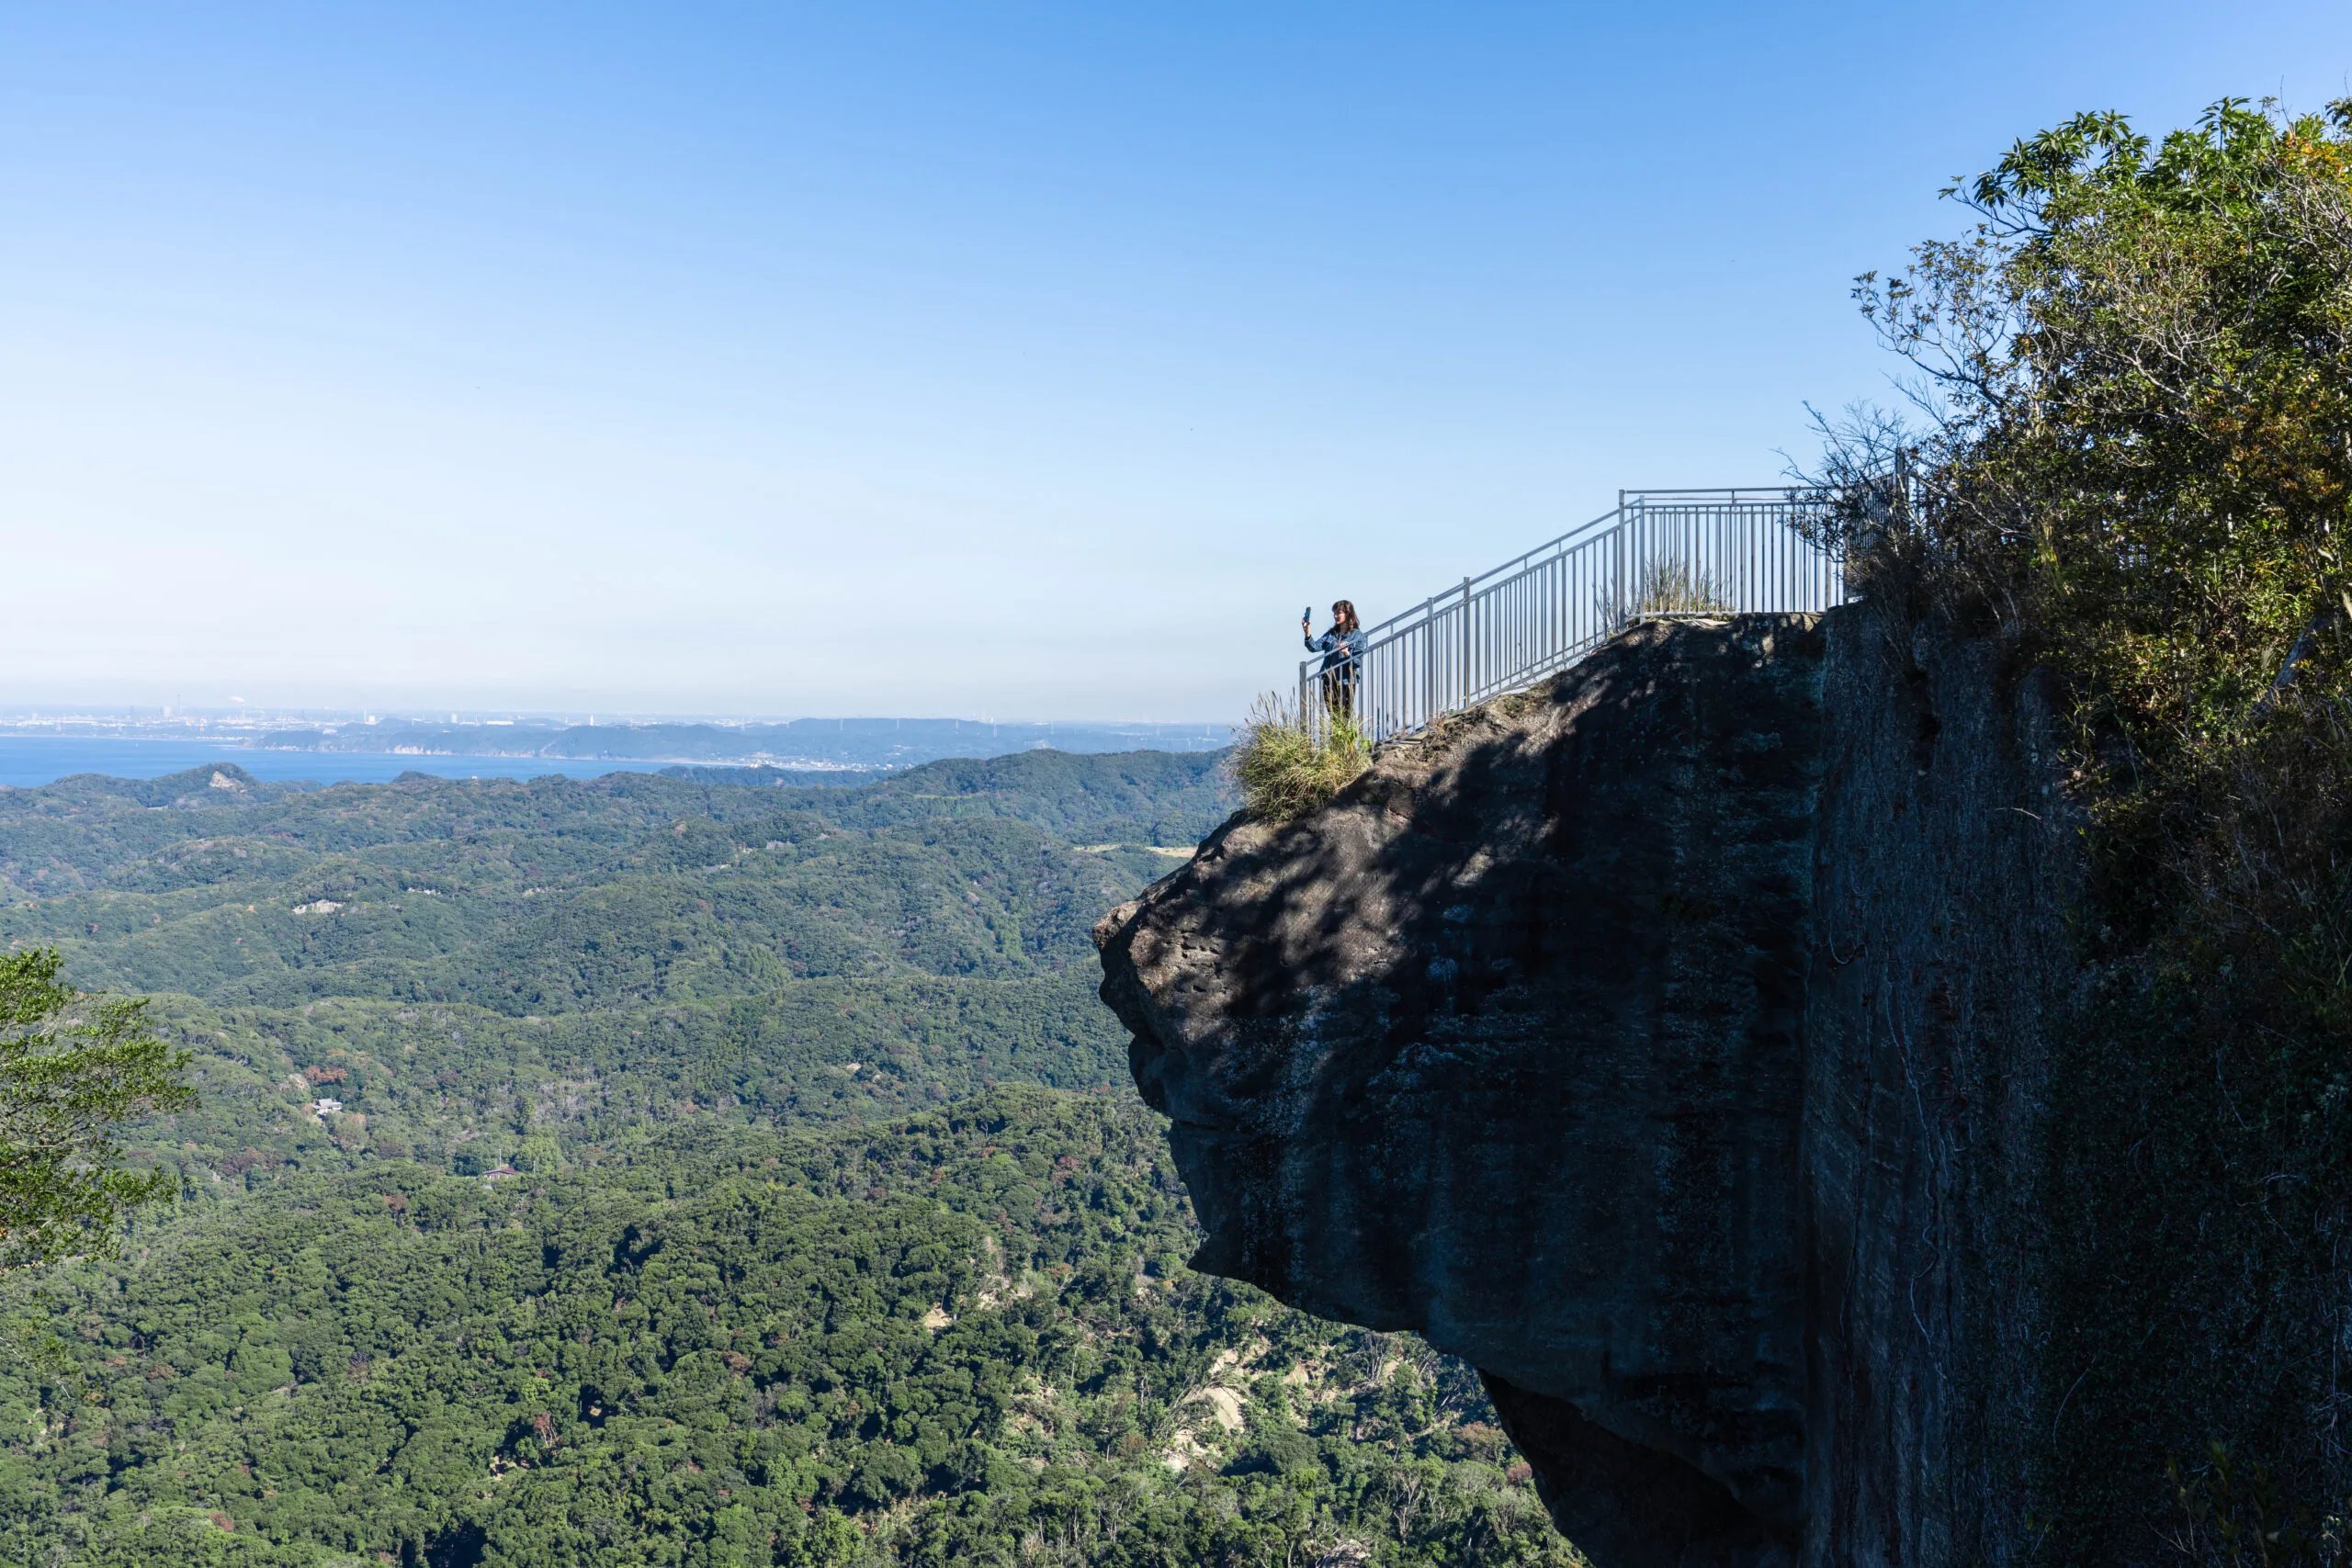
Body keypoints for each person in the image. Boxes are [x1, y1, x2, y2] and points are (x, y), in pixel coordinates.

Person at [1302, 600, 1363, 722]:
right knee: (1334, 717)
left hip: (1346, 681)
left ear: (1348, 614)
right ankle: (1335, 741)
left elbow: (1357, 662)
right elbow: (1314, 647)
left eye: (1338, 613)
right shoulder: (1331, 634)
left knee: (1344, 717)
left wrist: (1346, 653)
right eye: (1334, 613)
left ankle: (1343, 741)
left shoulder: (1357, 635)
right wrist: (1307, 631)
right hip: (1329, 680)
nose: (1335, 616)